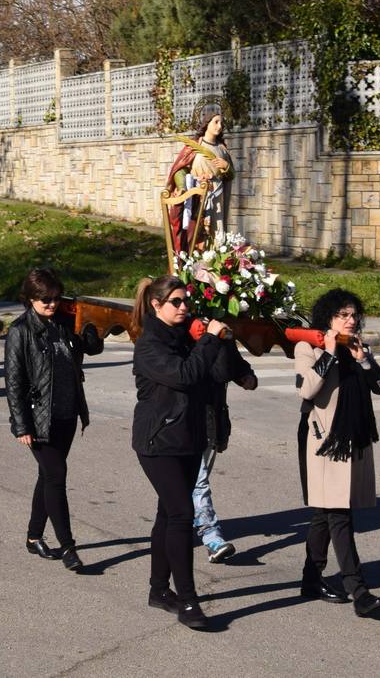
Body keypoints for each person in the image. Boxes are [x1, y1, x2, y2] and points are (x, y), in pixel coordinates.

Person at [130, 274, 230, 630]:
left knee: (167, 515)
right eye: (176, 302)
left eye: (186, 300)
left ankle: (159, 591)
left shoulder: (186, 337)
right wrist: (207, 342)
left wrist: (220, 341)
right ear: (156, 306)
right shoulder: (149, 345)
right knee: (181, 515)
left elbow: (212, 373)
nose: (184, 307)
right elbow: (186, 375)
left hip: (188, 438)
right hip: (158, 443)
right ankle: (188, 602)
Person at [295, 289, 380, 617]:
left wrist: (364, 360)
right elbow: (307, 388)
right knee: (339, 513)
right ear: (328, 318)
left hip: (353, 439)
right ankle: (358, 590)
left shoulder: (357, 348)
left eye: (353, 315)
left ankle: (311, 578)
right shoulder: (307, 347)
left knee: (325, 513)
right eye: (343, 315)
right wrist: (329, 352)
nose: (351, 321)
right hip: (323, 441)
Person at [4, 267, 102, 573]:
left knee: (47, 477)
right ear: (30, 298)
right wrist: (21, 425)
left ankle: (34, 537)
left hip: (66, 415)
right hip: (39, 419)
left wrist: (89, 333)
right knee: (57, 476)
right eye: (45, 299)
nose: (51, 304)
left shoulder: (63, 324)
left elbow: (92, 348)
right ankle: (69, 546)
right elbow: (14, 382)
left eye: (56, 298)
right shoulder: (20, 331)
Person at [192, 334, 259, 564]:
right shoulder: (181, 329)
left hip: (211, 417)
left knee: (188, 486)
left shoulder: (221, 331)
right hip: (181, 422)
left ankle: (175, 528)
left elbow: (231, 362)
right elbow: (216, 370)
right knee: (197, 482)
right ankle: (212, 538)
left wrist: (245, 375)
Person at [164, 103, 234, 257]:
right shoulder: (195, 146)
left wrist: (226, 167)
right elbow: (179, 169)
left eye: (221, 122)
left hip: (218, 197)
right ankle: (195, 264)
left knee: (217, 232)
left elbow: (231, 175)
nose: (220, 126)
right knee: (197, 232)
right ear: (206, 124)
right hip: (197, 196)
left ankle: (217, 264)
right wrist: (184, 186)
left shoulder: (222, 149)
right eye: (216, 122)